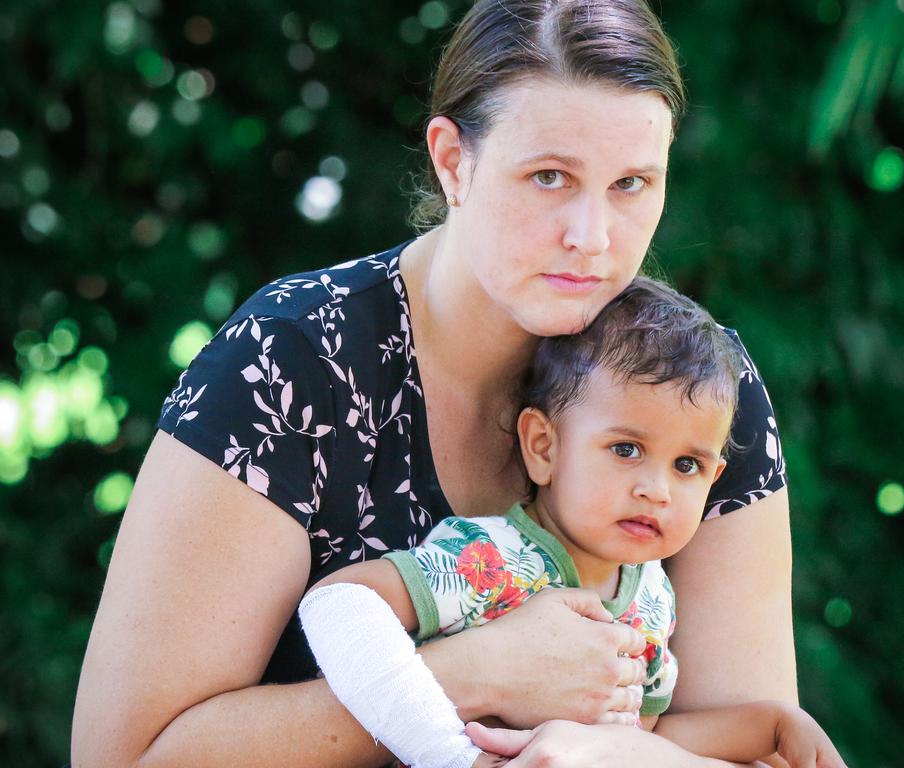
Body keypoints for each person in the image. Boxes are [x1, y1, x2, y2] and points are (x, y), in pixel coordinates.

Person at [71, 2, 796, 766]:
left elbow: (761, 746)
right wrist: (468, 674)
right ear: (453, 160)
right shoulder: (293, 364)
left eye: (631, 184)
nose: (593, 237)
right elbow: (125, 757)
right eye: (550, 177)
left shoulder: (700, 392)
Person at [298, 278, 844, 768]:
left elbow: (644, 739)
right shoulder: (490, 559)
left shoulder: (651, 596)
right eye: (626, 449)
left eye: (687, 465)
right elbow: (339, 603)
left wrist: (770, 726)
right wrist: (449, 753)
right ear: (544, 446)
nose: (656, 489)